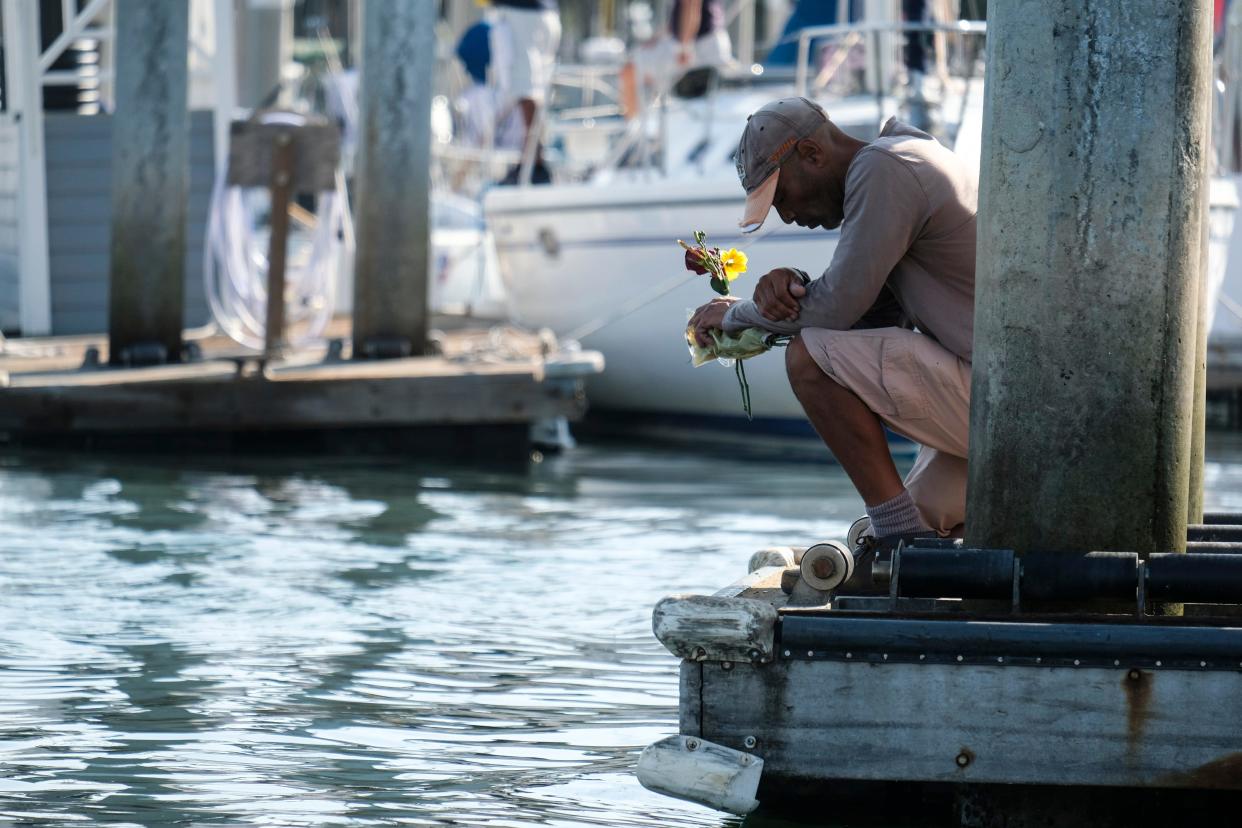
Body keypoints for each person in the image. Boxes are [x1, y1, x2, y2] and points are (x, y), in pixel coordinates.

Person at [689, 97, 976, 539]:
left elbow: (837, 309)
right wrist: (793, 286)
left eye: (782, 197)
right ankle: (904, 540)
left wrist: (737, 317)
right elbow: (863, 320)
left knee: (809, 359)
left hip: (1007, 405)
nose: (786, 216)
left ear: (812, 154)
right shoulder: (907, 155)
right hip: (1006, 396)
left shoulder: (883, 167)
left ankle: (899, 543)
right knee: (914, 521)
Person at [489, 0, 562, 184]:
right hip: (542, 14)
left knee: (526, 90)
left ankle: (534, 163)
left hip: (525, 14)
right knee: (533, 89)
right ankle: (531, 159)